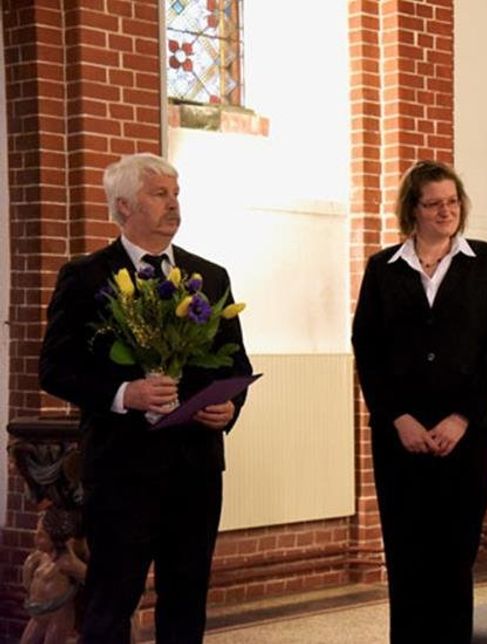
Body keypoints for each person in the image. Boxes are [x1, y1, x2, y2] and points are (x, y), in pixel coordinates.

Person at [39, 153, 253, 643]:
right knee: (112, 598)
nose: (173, 205)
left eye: (176, 194)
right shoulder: (87, 276)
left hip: (195, 467)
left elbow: (235, 364)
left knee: (187, 595)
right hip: (121, 469)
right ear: (123, 206)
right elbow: (54, 368)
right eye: (160, 194)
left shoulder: (211, 277)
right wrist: (123, 393)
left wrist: (230, 408)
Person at [352, 160, 487, 643]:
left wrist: (463, 417)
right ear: (413, 210)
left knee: (453, 556)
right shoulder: (383, 269)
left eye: (452, 201)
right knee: (407, 557)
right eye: (434, 203)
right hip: (401, 436)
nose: (446, 211)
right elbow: (368, 348)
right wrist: (397, 416)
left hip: (467, 434)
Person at [20, 509, 87, 644]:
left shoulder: (66, 562)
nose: (35, 538)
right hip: (39, 613)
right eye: (36, 531)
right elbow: (28, 581)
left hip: (58, 615)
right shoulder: (41, 556)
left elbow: (93, 581)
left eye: (42, 535)